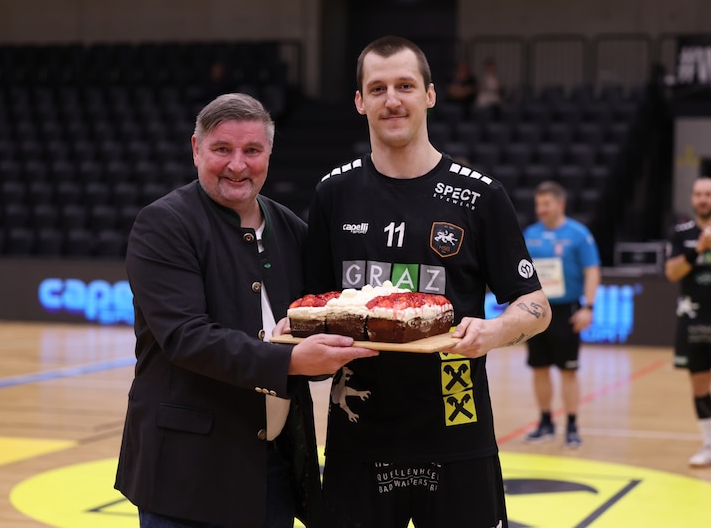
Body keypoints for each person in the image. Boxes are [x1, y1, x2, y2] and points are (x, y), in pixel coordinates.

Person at [304, 36, 551, 528]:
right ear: (359, 101)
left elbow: (537, 307)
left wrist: (494, 332)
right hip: (359, 432)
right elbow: (313, 307)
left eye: (405, 85)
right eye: (377, 88)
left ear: (430, 95)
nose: (392, 99)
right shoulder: (334, 194)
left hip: (456, 424)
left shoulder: (480, 196)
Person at [115, 93, 378, 528]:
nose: (238, 165)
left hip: (274, 467)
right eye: (222, 149)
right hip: (187, 474)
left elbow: (313, 326)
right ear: (196, 149)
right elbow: (187, 338)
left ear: (269, 154)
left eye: (252, 151)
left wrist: (321, 356)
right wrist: (291, 359)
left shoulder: (293, 229)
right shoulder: (163, 224)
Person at [522, 181, 601, 449]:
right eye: (538, 204)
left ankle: (572, 426)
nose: (541, 209)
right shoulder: (529, 234)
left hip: (566, 311)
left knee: (568, 371)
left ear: (560, 204)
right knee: (539, 368)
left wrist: (588, 307)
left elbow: (592, 270)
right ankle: (545, 422)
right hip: (536, 312)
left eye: (546, 204)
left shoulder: (578, 234)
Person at [664, 176, 711, 467]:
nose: (703, 199)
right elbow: (672, 273)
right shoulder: (681, 233)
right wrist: (699, 249)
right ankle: (708, 444)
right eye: (698, 194)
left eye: (708, 194)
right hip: (694, 321)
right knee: (699, 384)